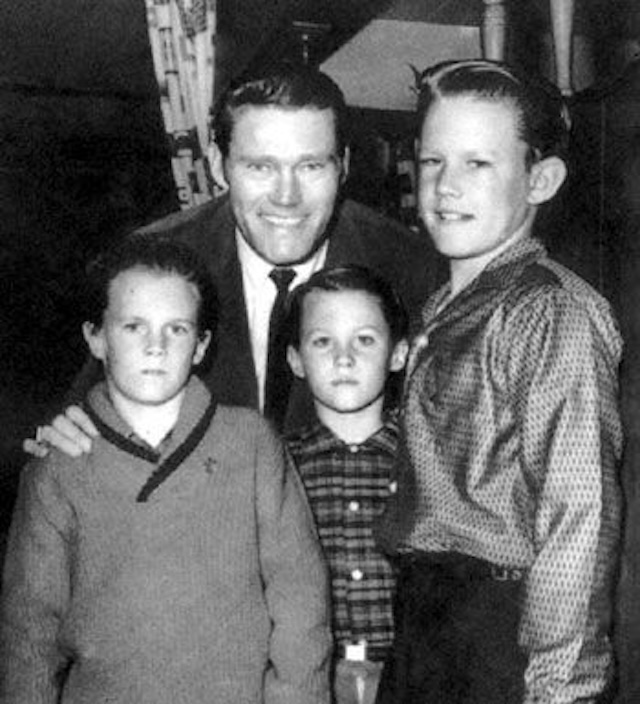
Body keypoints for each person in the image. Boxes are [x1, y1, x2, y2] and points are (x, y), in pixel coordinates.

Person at [26, 65, 436, 458]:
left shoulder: (413, 271)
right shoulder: (151, 264)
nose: (286, 197)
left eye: (310, 166)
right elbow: (85, 418)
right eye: (261, 167)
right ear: (218, 165)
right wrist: (68, 436)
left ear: (343, 164)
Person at [374, 59, 623, 704]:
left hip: (496, 634)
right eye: (433, 162)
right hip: (424, 627)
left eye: (477, 164)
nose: (446, 186)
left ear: (541, 179)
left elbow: (578, 517)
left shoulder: (550, 310)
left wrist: (560, 692)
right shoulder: (436, 309)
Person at [1, 236, 331, 704]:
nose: (155, 346)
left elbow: (300, 599)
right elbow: (29, 632)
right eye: (134, 326)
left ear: (200, 346)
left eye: (176, 329)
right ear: (95, 337)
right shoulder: (58, 467)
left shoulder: (251, 443)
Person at [284, 265, 408, 704]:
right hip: (310, 681)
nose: (344, 357)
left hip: (408, 678)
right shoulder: (275, 464)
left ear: (398, 353)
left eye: (365, 339)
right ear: (296, 359)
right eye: (322, 341)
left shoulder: (422, 460)